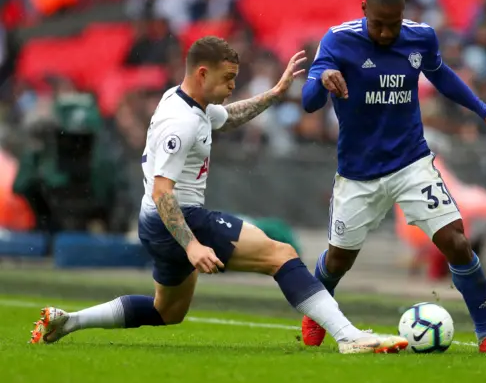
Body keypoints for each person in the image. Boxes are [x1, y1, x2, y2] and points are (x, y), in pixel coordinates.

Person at [29, 36, 408, 355]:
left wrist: (275, 94)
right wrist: (192, 246)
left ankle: (70, 321)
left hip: (157, 225)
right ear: (202, 72)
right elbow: (164, 192)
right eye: (228, 79)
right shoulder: (181, 123)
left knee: (167, 311)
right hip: (178, 218)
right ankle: (348, 336)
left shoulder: (187, 103)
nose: (231, 87)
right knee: (282, 255)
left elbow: (229, 116)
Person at [301, 0, 486, 355]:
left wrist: (484, 112)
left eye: (393, 24)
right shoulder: (338, 40)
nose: (385, 32)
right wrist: (322, 81)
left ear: (404, 15)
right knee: (339, 259)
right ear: (364, 9)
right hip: (358, 173)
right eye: (379, 23)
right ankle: (317, 311)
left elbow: (441, 75)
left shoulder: (421, 37)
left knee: (458, 242)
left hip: (411, 163)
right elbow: (308, 102)